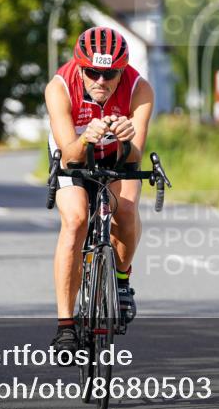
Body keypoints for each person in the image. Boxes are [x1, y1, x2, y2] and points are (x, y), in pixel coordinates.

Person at [44, 27, 155, 355]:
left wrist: (124, 141)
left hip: (118, 157)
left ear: (123, 71)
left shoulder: (139, 89)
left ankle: (121, 282)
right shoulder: (60, 87)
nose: (101, 81)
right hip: (74, 155)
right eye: (92, 72)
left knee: (125, 209)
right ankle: (65, 326)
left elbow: (135, 155)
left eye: (110, 74)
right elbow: (70, 156)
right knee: (76, 220)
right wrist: (85, 139)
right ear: (80, 68)